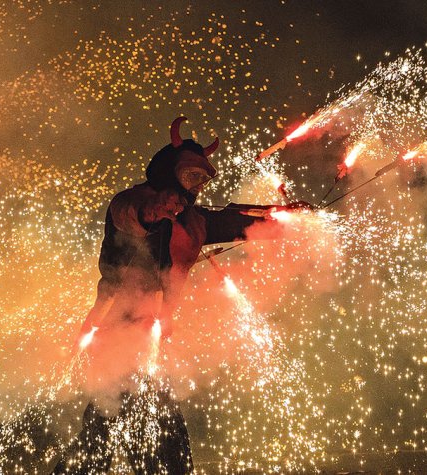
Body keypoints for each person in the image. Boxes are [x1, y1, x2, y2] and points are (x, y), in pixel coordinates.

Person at [52, 117, 306, 475]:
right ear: (171, 172)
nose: (198, 186)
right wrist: (152, 212)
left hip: (153, 338)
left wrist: (282, 218)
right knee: (106, 438)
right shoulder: (133, 200)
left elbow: (234, 221)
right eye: (192, 176)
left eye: (203, 179)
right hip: (116, 334)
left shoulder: (194, 220)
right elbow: (129, 214)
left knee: (153, 439)